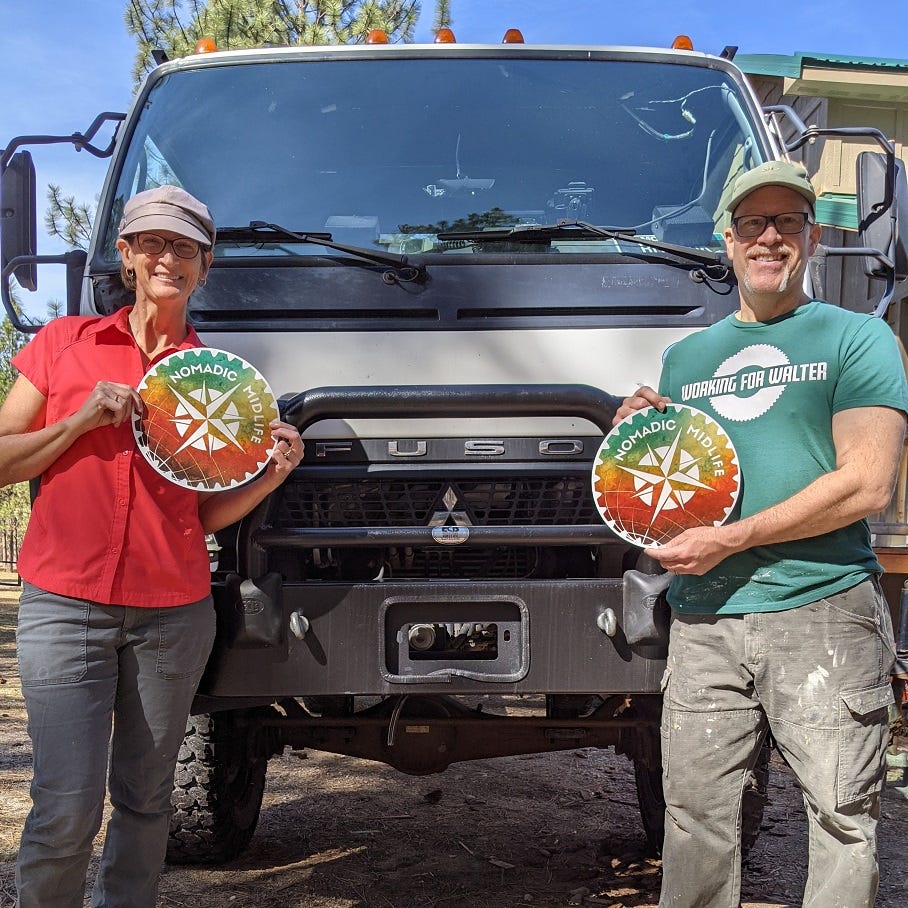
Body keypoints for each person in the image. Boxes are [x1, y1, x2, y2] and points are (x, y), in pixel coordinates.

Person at [614, 161, 908, 907]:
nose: (769, 237)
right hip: (706, 617)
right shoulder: (687, 359)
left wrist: (733, 538)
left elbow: (868, 483)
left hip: (823, 609)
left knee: (842, 820)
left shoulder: (859, 340)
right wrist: (637, 439)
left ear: (812, 235)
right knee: (694, 823)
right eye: (753, 223)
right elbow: (676, 490)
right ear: (727, 239)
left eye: (787, 222)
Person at [0, 185, 303, 908]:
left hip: (172, 616)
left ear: (204, 266)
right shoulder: (63, 344)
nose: (169, 258)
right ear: (127, 255)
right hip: (65, 606)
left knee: (145, 804)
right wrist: (78, 423)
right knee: (66, 807)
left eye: (186, 248)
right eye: (154, 244)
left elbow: (196, 520)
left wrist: (268, 478)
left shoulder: (218, 381)